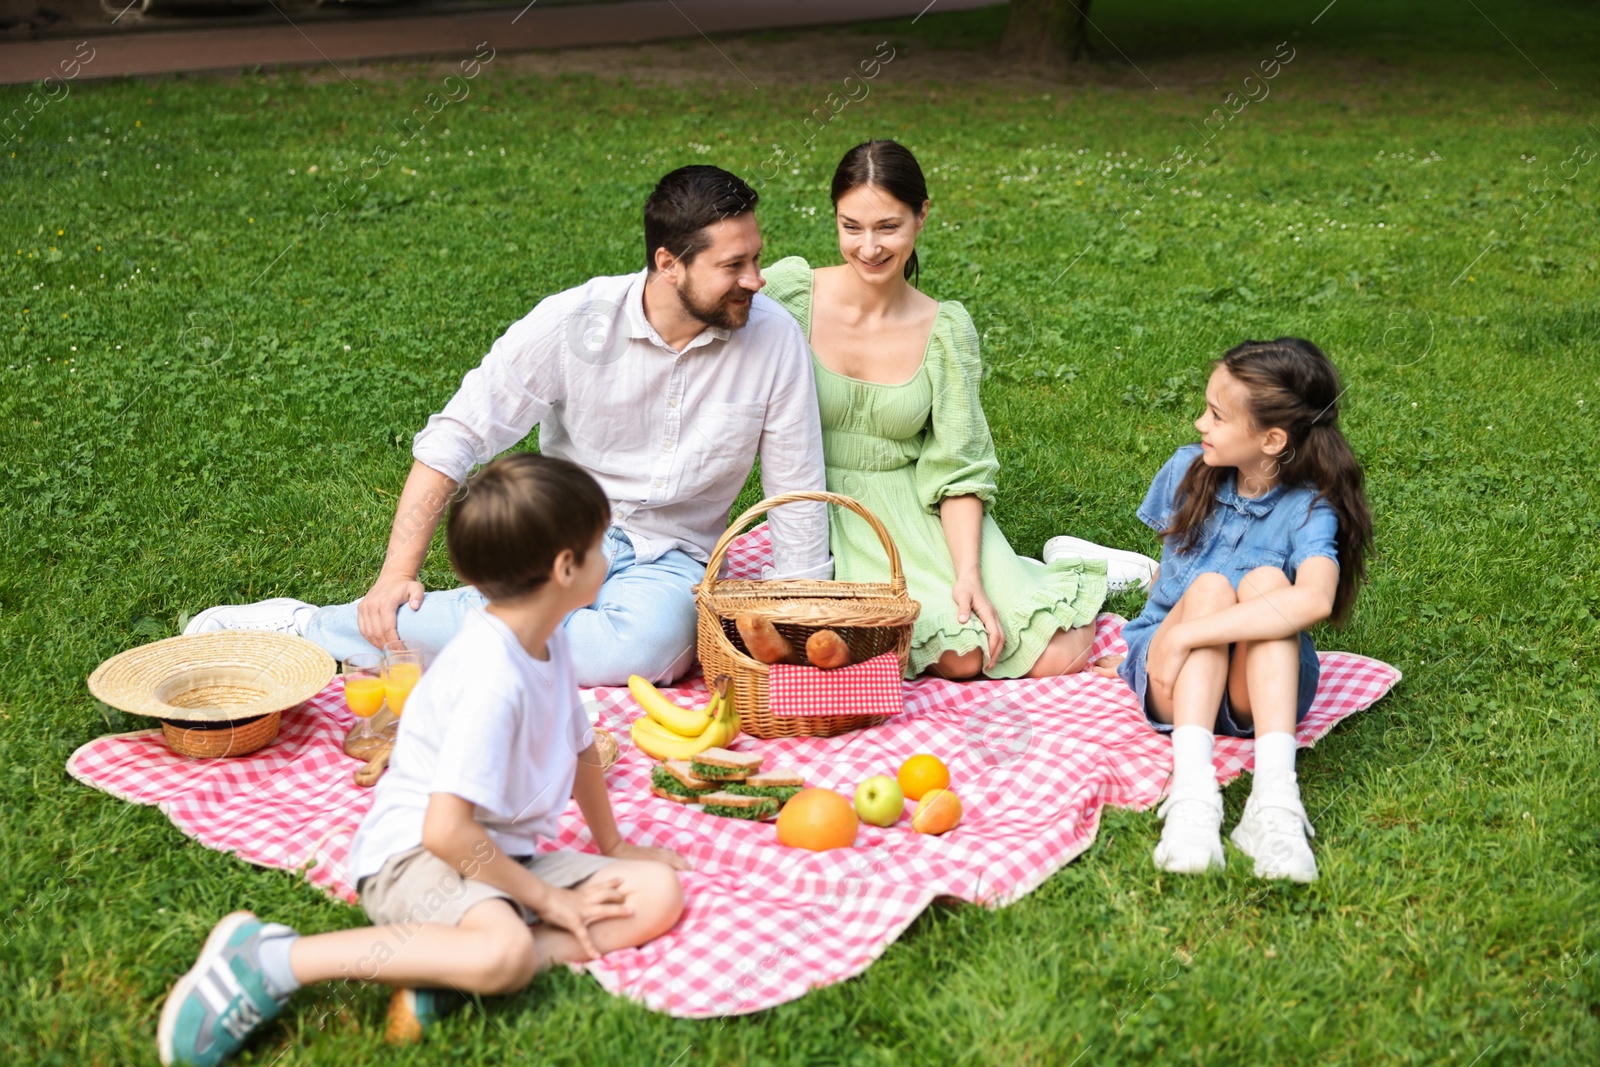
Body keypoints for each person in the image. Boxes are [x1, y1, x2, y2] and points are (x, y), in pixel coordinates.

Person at [184, 166, 830, 687]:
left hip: (673, 557)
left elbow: (796, 485)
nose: (756, 279)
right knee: (578, 631)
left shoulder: (773, 337)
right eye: (734, 266)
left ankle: (443, 631)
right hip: (565, 537)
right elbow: (457, 435)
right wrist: (393, 575)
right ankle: (308, 629)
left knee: (649, 652)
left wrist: (805, 619)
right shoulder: (572, 322)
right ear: (668, 263)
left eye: (755, 258)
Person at [158, 454, 690, 1067]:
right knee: (507, 954)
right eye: (600, 546)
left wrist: (616, 846)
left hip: (495, 857)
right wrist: (551, 902)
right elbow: (444, 832)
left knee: (655, 893)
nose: (610, 558)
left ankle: (443, 967)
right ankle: (273, 960)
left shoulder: (545, 643)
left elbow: (580, 752)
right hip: (415, 858)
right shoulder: (490, 678)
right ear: (566, 568)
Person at [760, 139, 1134, 679]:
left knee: (1051, 655)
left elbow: (958, 465)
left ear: (922, 217)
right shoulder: (790, 296)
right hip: (820, 508)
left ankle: (1059, 568)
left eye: (888, 227)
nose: (868, 247)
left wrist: (970, 575)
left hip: (915, 505)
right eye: (851, 226)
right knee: (950, 657)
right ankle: (1033, 568)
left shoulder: (945, 330)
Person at [1094, 338, 1372, 883]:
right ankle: (1193, 797)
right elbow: (1172, 589)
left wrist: (1188, 634)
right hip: (1174, 679)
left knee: (1267, 582)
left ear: (1272, 439)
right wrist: (1158, 642)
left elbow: (1315, 598)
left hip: (1257, 692)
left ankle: (1274, 803)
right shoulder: (1185, 471)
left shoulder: (1308, 506)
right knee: (1211, 586)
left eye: (1217, 416)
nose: (1201, 423)